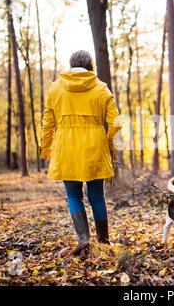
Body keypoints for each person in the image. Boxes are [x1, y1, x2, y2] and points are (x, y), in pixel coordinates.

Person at [39, 50, 121, 256]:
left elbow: (48, 123)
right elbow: (115, 123)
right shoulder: (101, 89)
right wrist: (111, 146)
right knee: (97, 196)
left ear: (71, 64)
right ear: (90, 65)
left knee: (73, 195)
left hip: (66, 149)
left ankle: (84, 238)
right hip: (95, 148)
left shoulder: (56, 88)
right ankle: (104, 241)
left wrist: (45, 148)